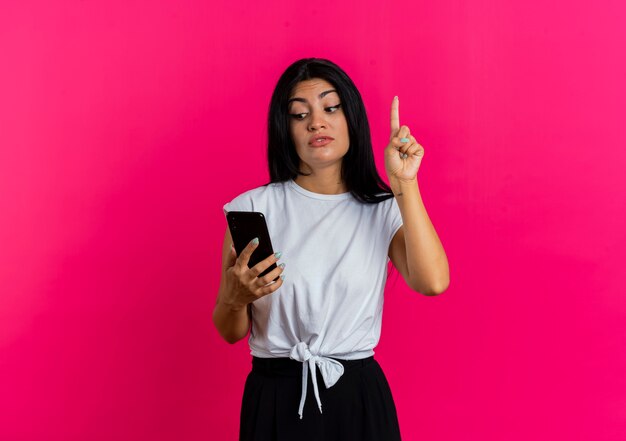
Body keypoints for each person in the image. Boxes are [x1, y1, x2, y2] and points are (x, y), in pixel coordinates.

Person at [213, 58, 449, 441]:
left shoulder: (382, 208)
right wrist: (234, 298)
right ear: (284, 129)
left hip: (357, 396)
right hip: (275, 395)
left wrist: (405, 183)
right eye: (299, 114)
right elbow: (230, 331)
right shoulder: (252, 209)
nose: (316, 122)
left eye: (330, 107)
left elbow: (433, 282)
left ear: (350, 117)